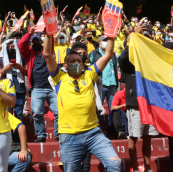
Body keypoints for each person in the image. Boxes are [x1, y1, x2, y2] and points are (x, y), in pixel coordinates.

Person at [42, 30, 121, 171]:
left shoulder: (90, 74)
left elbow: (108, 54)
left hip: (94, 133)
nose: (76, 63)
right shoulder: (59, 77)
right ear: (65, 66)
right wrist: (49, 33)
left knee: (115, 164)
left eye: (79, 60)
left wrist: (111, 34)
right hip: (69, 136)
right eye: (72, 61)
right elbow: (47, 54)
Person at [120, 24, 160, 172]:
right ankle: (135, 168)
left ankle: (148, 168)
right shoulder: (127, 62)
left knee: (148, 137)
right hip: (135, 103)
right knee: (134, 137)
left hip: (150, 104)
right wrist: (132, 39)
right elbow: (124, 60)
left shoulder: (149, 62)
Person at [18, 26, 59, 142]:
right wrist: (29, 34)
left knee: (59, 112)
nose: (36, 43)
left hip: (51, 87)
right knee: (36, 113)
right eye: (33, 42)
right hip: (37, 88)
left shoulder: (47, 52)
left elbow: (50, 42)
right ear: (30, 44)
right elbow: (21, 45)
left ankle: (58, 135)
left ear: (41, 43)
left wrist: (48, 33)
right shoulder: (28, 54)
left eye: (38, 41)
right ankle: (41, 135)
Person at [90, 35, 119, 110]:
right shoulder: (93, 54)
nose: (107, 43)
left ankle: (113, 122)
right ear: (100, 42)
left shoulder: (112, 54)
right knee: (98, 108)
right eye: (105, 41)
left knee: (114, 108)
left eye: (108, 41)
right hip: (100, 84)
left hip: (112, 84)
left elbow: (116, 67)